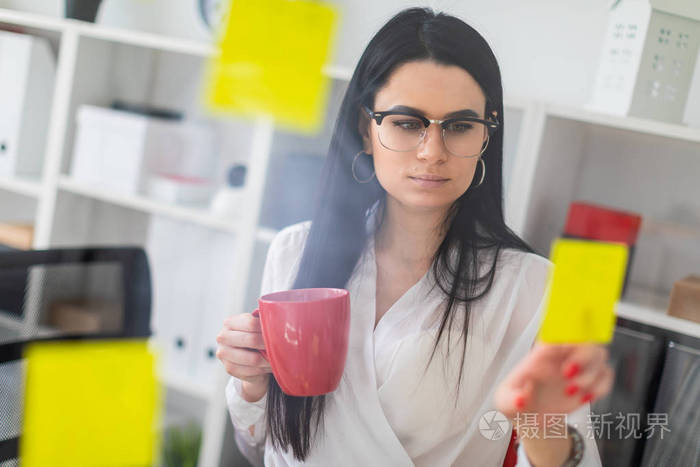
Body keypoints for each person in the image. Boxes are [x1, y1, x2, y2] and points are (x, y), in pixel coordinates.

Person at [216, 7, 612, 466]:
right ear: (367, 130)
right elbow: (261, 443)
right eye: (407, 123)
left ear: (486, 135)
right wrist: (252, 380)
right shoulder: (294, 252)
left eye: (461, 126)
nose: (432, 152)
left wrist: (541, 420)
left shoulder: (533, 288)